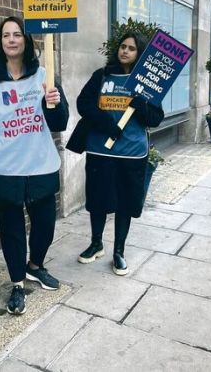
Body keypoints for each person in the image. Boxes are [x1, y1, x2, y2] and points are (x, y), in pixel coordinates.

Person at [0, 16, 69, 315]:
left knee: (45, 226)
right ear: (0, 41)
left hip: (41, 165)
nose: (11, 40)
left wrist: (54, 102)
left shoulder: (45, 76)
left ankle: (35, 266)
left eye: (17, 34)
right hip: (4, 169)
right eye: (6, 35)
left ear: (26, 39)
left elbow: (60, 123)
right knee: (11, 230)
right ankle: (16, 284)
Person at [68, 32, 164, 276]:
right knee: (97, 200)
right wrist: (105, 123)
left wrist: (141, 106)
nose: (125, 51)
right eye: (123, 46)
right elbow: (83, 103)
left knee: (125, 203)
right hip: (100, 150)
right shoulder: (102, 75)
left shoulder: (146, 83)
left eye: (131, 48)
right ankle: (96, 243)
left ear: (139, 53)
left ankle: (119, 251)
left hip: (132, 153)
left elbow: (155, 118)